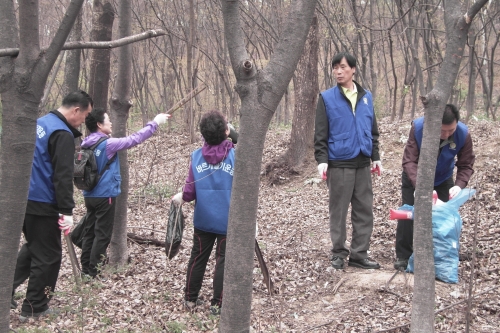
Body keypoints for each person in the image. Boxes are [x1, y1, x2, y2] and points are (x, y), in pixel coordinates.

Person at [12, 90, 93, 321]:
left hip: (25, 197)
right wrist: (66, 210)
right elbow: (63, 175)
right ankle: (34, 307)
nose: (83, 120)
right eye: (85, 115)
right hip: (43, 201)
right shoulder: (62, 133)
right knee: (48, 256)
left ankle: (5, 289)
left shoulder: (40, 123)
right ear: (76, 110)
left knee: (34, 249)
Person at [80, 107, 170, 278]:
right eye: (108, 120)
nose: (111, 122)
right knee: (102, 235)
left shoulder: (86, 143)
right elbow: (134, 139)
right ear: (99, 124)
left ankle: (86, 269)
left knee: (90, 232)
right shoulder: (108, 144)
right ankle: (94, 272)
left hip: (89, 195)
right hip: (104, 195)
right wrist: (155, 123)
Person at [314, 52, 382, 270]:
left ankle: (359, 254)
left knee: (364, 211)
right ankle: (338, 253)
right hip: (339, 163)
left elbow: (373, 130)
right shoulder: (326, 98)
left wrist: (376, 156)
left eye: (343, 67)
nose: (338, 71)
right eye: (335, 67)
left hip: (363, 162)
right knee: (339, 211)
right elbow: (320, 134)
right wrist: (322, 160)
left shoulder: (366, 97)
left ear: (353, 69)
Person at [394, 104, 475, 270]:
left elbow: (466, 164)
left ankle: (442, 255)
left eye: (450, 131)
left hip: (443, 178)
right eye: (442, 130)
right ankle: (403, 257)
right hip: (415, 178)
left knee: (445, 218)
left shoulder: (463, 134)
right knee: (409, 214)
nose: (445, 134)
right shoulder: (418, 128)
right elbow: (409, 160)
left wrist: (459, 185)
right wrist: (420, 185)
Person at [172, 110, 235, 316]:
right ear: (226, 131)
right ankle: (218, 304)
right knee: (223, 261)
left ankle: (190, 298)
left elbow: (189, 192)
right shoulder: (236, 156)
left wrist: (181, 196)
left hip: (203, 219)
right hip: (228, 220)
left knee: (198, 258)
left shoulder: (197, 157)